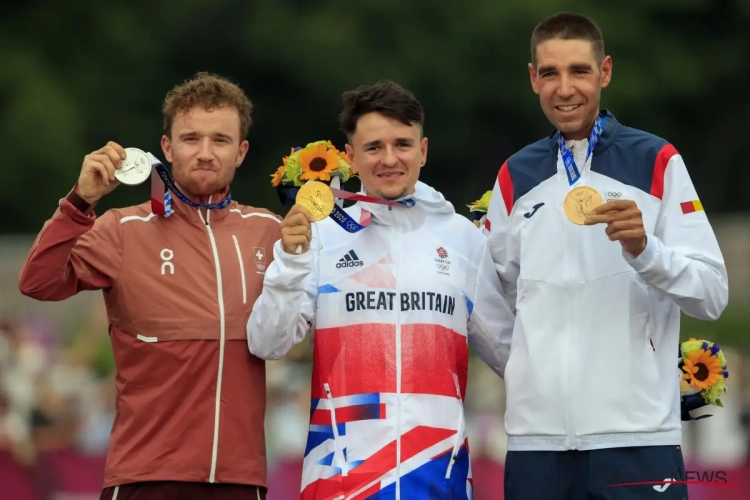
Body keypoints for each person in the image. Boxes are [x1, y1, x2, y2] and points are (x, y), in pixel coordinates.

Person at [483, 12, 729, 500]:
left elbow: (712, 294)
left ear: (605, 72)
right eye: (550, 73)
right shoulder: (514, 176)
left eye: (579, 70)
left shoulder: (657, 160)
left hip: (638, 438)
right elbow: (489, 299)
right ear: (533, 78)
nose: (565, 87)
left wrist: (646, 251)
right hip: (538, 445)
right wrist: (532, 372)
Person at [247, 80, 515, 499]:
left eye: (403, 144)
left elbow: (512, 357)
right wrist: (291, 261)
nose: (390, 159)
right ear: (351, 157)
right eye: (374, 148)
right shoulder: (320, 237)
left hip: (437, 479)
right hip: (338, 484)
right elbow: (268, 342)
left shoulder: (464, 240)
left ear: (423, 150)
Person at [18, 72, 280, 500]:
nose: (205, 153)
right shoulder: (123, 229)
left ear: (242, 151)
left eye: (221, 140)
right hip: (144, 477)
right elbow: (37, 282)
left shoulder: (268, 232)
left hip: (239, 477)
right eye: (191, 138)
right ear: (167, 147)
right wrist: (79, 203)